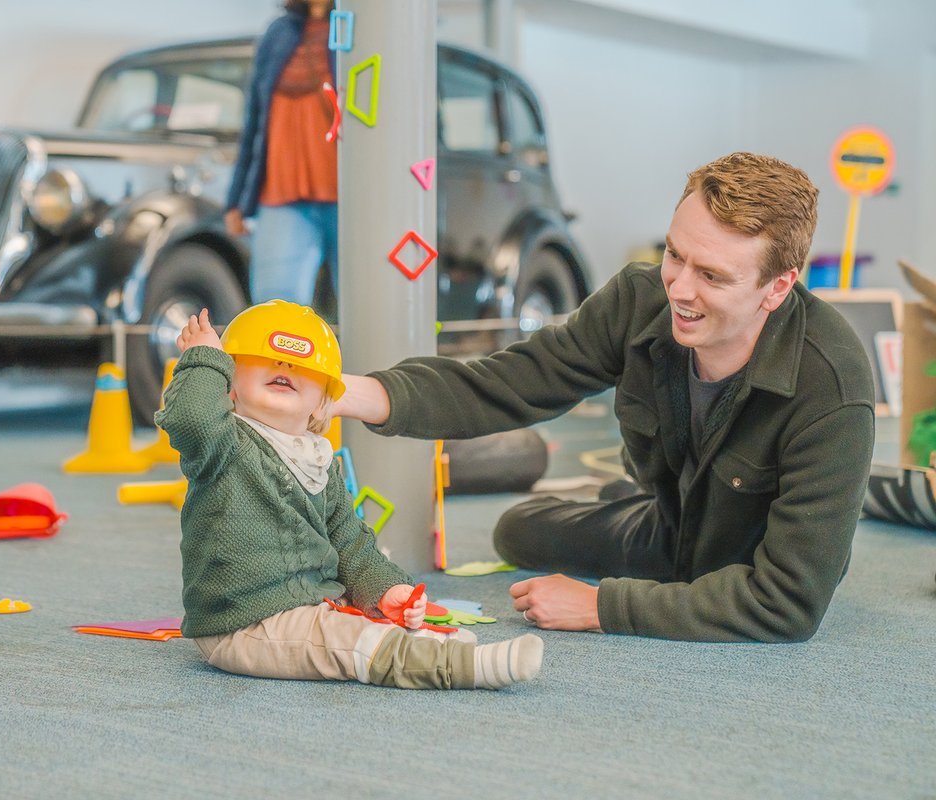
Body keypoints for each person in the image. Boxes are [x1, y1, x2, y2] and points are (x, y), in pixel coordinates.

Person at [333, 152, 876, 643]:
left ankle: (626, 505)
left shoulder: (832, 386)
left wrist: (601, 606)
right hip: (668, 531)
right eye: (674, 255)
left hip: (748, 562)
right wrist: (352, 392)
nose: (680, 290)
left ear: (778, 287)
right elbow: (509, 383)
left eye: (711, 275)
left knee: (738, 590)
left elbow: (786, 605)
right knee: (515, 531)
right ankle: (625, 497)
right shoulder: (638, 302)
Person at [155, 300, 544, 689]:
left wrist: (387, 589)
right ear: (230, 384)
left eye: (301, 367)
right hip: (241, 623)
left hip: (311, 608)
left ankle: (428, 649)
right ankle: (457, 669)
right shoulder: (223, 443)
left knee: (358, 624)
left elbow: (349, 542)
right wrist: (204, 358)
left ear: (322, 401)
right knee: (351, 642)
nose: (285, 366)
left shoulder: (319, 461)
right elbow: (191, 418)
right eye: (264, 358)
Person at [225, 0, 339, 307]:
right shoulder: (278, 33)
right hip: (282, 194)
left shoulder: (361, 29)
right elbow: (254, 122)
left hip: (350, 196)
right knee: (275, 305)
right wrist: (236, 200)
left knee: (367, 306)